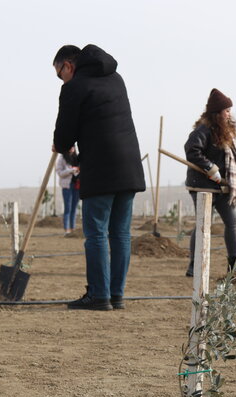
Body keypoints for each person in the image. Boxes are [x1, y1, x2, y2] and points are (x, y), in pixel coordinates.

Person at [53, 44, 145, 311]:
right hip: (129, 167)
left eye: (59, 74)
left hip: (101, 169)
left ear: (68, 66)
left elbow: (64, 136)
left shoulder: (74, 87)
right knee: (120, 234)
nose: (61, 80)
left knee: (95, 233)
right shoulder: (116, 79)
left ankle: (98, 295)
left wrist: (62, 145)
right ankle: (116, 295)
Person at [184, 88, 236, 277]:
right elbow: (192, 150)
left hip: (224, 186)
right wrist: (211, 168)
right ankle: (194, 265)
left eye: (229, 110)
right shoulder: (203, 130)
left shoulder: (225, 131)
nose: (229, 114)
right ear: (217, 113)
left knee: (232, 222)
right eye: (226, 111)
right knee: (203, 224)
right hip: (203, 186)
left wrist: (227, 178)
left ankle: (233, 264)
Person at [55, 152, 80, 234]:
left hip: (77, 185)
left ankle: (73, 228)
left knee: (74, 208)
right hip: (67, 186)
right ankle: (67, 229)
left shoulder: (77, 157)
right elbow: (59, 172)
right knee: (68, 208)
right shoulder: (62, 158)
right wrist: (71, 171)